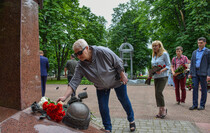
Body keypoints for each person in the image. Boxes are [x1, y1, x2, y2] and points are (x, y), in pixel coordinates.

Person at [57, 39, 135, 132]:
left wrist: (122, 75)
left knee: (124, 100)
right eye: (76, 54)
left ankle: (131, 120)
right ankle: (108, 128)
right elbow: (74, 82)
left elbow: (117, 61)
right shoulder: (80, 65)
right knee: (103, 106)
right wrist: (65, 96)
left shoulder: (102, 51)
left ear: (86, 48)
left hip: (117, 80)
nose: (78, 56)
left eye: (80, 53)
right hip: (101, 86)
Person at [189, 37, 210, 110]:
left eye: (201, 43)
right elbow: (192, 63)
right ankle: (194, 104)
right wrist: (190, 73)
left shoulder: (208, 51)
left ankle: (202, 105)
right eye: (198, 43)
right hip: (195, 72)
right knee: (194, 88)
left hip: (203, 73)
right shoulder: (194, 52)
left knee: (203, 89)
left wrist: (209, 74)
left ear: (205, 43)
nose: (199, 44)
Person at [151, 40, 170, 119]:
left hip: (163, 76)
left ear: (159, 46)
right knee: (157, 93)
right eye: (153, 46)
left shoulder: (164, 54)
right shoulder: (153, 55)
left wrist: (161, 70)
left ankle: (163, 109)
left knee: (159, 92)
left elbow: (168, 65)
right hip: (156, 77)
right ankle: (160, 110)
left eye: (156, 46)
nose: (154, 47)